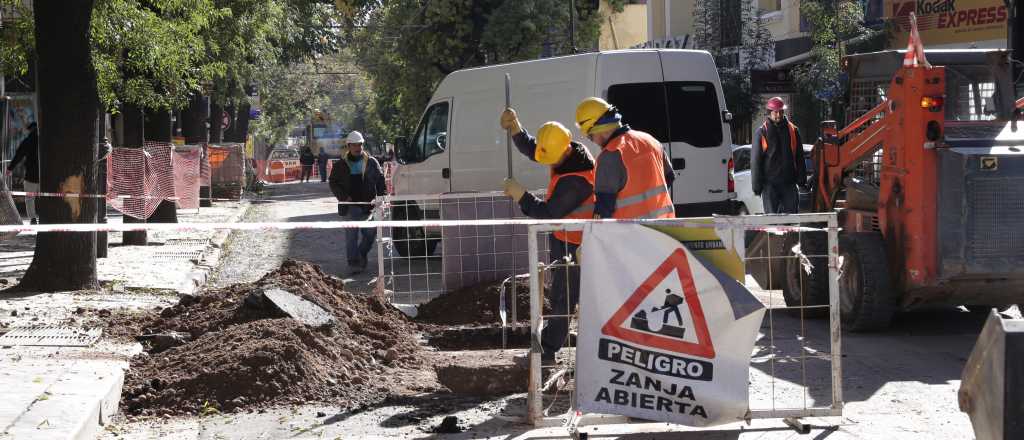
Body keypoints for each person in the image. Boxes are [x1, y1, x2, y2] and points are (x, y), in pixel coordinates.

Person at [500, 108, 595, 366]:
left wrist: (522, 195)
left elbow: (549, 213)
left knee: (563, 298)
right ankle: (557, 341)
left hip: (575, 244)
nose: (547, 162)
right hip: (566, 240)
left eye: (550, 157)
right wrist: (517, 129)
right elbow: (537, 150)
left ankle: (547, 352)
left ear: (562, 151)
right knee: (563, 296)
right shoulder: (569, 152)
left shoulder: (576, 181)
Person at [574, 97, 675, 219]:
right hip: (664, 227)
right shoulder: (650, 140)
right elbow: (669, 177)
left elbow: (604, 207)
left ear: (598, 129)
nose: (592, 141)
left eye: (590, 136)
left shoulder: (610, 155)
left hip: (630, 233)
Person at [329, 131, 386, 274]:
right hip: (350, 207)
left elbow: (380, 181)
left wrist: (381, 199)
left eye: (359, 144)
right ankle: (354, 263)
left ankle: (361, 255)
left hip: (369, 206)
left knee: (371, 233)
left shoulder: (372, 162)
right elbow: (333, 182)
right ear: (349, 146)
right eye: (354, 145)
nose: (357, 147)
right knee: (351, 237)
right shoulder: (341, 165)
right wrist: (343, 197)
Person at [751, 96, 807, 214]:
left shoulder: (793, 130)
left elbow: (799, 157)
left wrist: (802, 180)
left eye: (781, 112)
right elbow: (756, 161)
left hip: (789, 184)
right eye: (775, 112)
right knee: (772, 223)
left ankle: (790, 233)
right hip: (769, 185)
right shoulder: (762, 132)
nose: (778, 115)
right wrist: (756, 186)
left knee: (791, 222)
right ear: (769, 113)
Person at [9, 123, 39, 224]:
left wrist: (10, 168)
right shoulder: (46, 140)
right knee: (47, 197)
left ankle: (33, 218)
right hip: (46, 176)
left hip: (31, 175)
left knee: (30, 198)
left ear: (30, 130)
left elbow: (19, 154)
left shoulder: (28, 140)